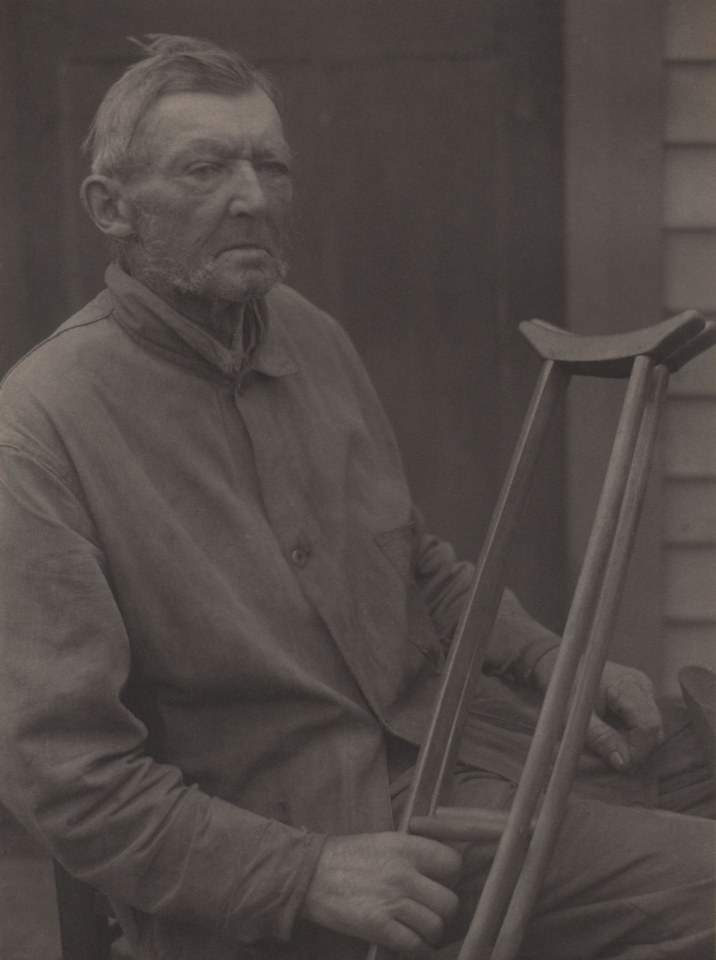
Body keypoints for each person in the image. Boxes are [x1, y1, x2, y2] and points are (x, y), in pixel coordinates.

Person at [0, 35, 713, 960]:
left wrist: (553, 660)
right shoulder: (40, 427)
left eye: (269, 163)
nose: (251, 197)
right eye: (206, 167)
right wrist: (306, 874)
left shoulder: (308, 335)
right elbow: (65, 776)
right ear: (112, 207)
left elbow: (410, 563)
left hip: (455, 754)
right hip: (307, 858)